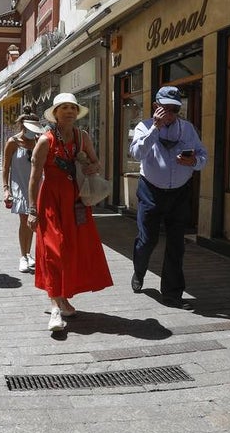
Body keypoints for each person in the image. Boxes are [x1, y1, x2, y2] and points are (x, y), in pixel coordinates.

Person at [27, 92, 113, 332]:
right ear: (55, 113)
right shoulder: (45, 141)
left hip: (75, 201)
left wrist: (89, 164)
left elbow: (97, 164)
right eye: (64, 107)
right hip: (51, 202)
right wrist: (32, 210)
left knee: (72, 251)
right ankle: (55, 309)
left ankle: (62, 298)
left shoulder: (82, 137)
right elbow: (34, 178)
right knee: (54, 250)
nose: (69, 111)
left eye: (72, 108)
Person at [129, 85, 208, 308]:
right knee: (148, 239)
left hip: (180, 193)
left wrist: (193, 161)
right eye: (166, 108)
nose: (171, 114)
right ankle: (139, 270)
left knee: (176, 244)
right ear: (156, 107)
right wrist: (156, 127)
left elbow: (202, 155)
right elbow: (136, 154)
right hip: (150, 190)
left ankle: (172, 294)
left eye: (175, 109)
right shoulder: (143, 127)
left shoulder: (188, 129)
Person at [1, 106, 45, 273]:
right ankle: (23, 255)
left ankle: (28, 253)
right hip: (19, 186)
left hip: (36, 186)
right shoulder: (13, 142)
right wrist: (6, 189)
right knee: (24, 220)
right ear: (23, 126)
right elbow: (5, 168)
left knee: (32, 223)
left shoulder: (38, 141)